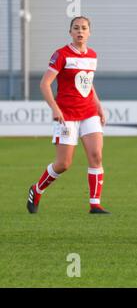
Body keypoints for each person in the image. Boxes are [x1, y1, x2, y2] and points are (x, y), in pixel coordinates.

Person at [27, 16, 109, 214]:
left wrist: (98, 105)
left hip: (89, 112)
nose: (80, 31)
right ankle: (37, 190)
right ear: (70, 32)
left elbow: (88, 83)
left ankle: (95, 204)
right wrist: (55, 108)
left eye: (84, 28)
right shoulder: (60, 55)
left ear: (89, 32)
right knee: (64, 164)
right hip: (67, 115)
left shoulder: (92, 55)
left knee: (96, 156)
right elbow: (44, 84)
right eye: (76, 28)